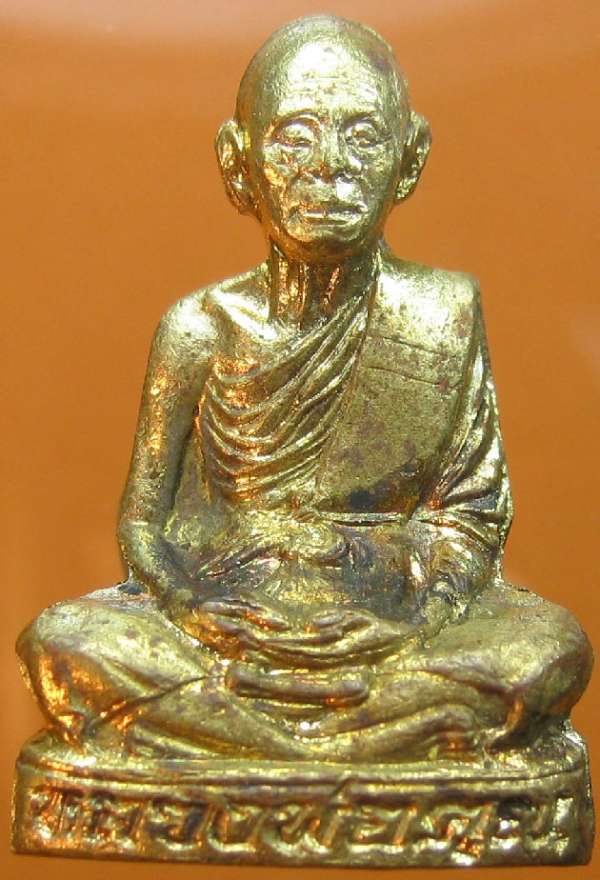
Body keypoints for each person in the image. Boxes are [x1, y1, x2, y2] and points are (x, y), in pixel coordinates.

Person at [18, 15, 592, 763]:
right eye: (294, 138)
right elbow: (143, 525)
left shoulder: (440, 315)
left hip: (386, 622)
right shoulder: (200, 328)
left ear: (410, 158)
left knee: (547, 650)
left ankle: (238, 739)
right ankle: (365, 741)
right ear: (238, 164)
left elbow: (471, 518)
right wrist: (195, 612)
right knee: (66, 644)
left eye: (363, 136)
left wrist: (416, 622)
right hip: (232, 619)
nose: (329, 169)